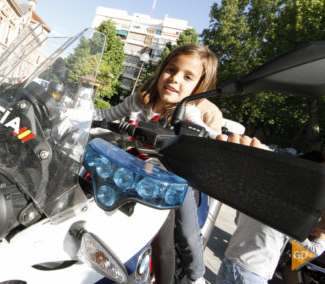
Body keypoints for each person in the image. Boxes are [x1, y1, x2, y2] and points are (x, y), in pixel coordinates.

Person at [94, 43, 223, 284]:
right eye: (171, 70)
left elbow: (208, 134)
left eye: (187, 76)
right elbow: (107, 115)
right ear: (161, 69)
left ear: (199, 86)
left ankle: (196, 275)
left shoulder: (188, 112)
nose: (175, 79)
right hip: (129, 173)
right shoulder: (142, 99)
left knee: (176, 235)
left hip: (165, 183)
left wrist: (224, 140)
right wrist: (74, 113)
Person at [215, 134, 325, 284]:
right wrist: (322, 237)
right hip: (253, 274)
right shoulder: (292, 210)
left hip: (230, 263)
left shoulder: (259, 191)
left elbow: (238, 219)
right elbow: (309, 251)